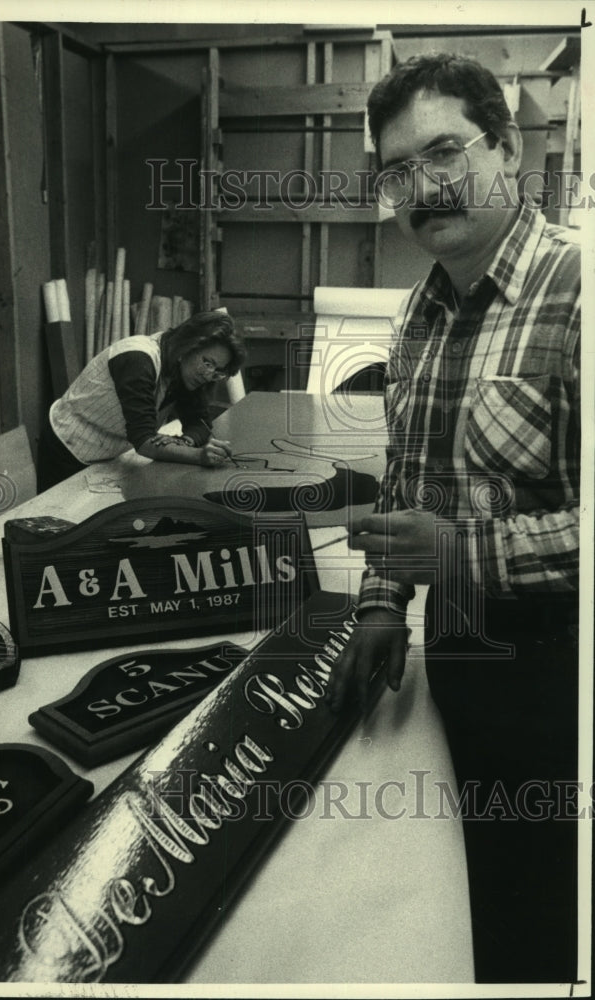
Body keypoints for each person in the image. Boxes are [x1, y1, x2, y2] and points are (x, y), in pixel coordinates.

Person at [327, 53, 581, 984]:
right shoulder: (420, 315)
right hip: (460, 663)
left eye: (443, 153)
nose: (419, 187)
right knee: (464, 895)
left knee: (546, 915)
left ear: (506, 149)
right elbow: (408, 478)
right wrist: (384, 600)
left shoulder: (579, 294)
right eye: (395, 170)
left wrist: (468, 549)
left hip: (564, 687)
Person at [36, 310, 245, 492]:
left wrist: (184, 442)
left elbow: (199, 423)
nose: (209, 375)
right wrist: (199, 456)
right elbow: (144, 442)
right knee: (57, 525)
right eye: (207, 363)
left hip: (110, 451)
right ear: (188, 346)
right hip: (68, 446)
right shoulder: (138, 359)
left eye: (217, 371)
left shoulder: (187, 370)